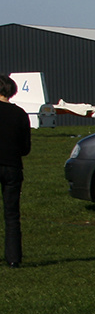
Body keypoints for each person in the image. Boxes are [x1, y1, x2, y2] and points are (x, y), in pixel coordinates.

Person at [0, 75, 31, 269]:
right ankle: (13, 258)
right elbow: (25, 149)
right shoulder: (20, 114)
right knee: (12, 215)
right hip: (12, 167)